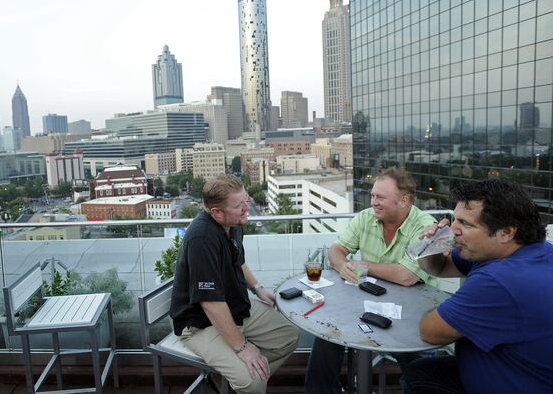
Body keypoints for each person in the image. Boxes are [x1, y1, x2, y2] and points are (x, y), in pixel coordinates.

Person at [401, 179, 553, 394]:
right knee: (422, 370)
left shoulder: (501, 280)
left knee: (419, 374)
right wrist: (431, 246)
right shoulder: (532, 251)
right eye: (455, 219)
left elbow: (430, 331)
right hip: (512, 368)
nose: (453, 230)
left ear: (506, 232)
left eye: (466, 224)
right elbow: (441, 268)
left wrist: (457, 309)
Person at [305, 167, 441, 394]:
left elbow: (407, 276)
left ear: (404, 201)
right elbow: (337, 249)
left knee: (420, 367)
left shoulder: (425, 227)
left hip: (413, 310)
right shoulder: (366, 217)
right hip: (367, 299)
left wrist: (363, 266)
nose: (374, 202)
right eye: (373, 196)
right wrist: (342, 265)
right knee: (327, 331)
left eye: (381, 197)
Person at [170, 174, 299, 394]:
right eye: (240, 204)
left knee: (289, 337)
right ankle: (244, 378)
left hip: (234, 307)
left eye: (246, 200)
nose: (247, 207)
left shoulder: (233, 224)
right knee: (252, 381)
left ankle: (229, 380)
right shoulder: (201, 239)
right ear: (217, 213)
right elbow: (210, 303)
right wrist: (242, 347)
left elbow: (238, 261)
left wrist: (257, 289)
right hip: (200, 323)